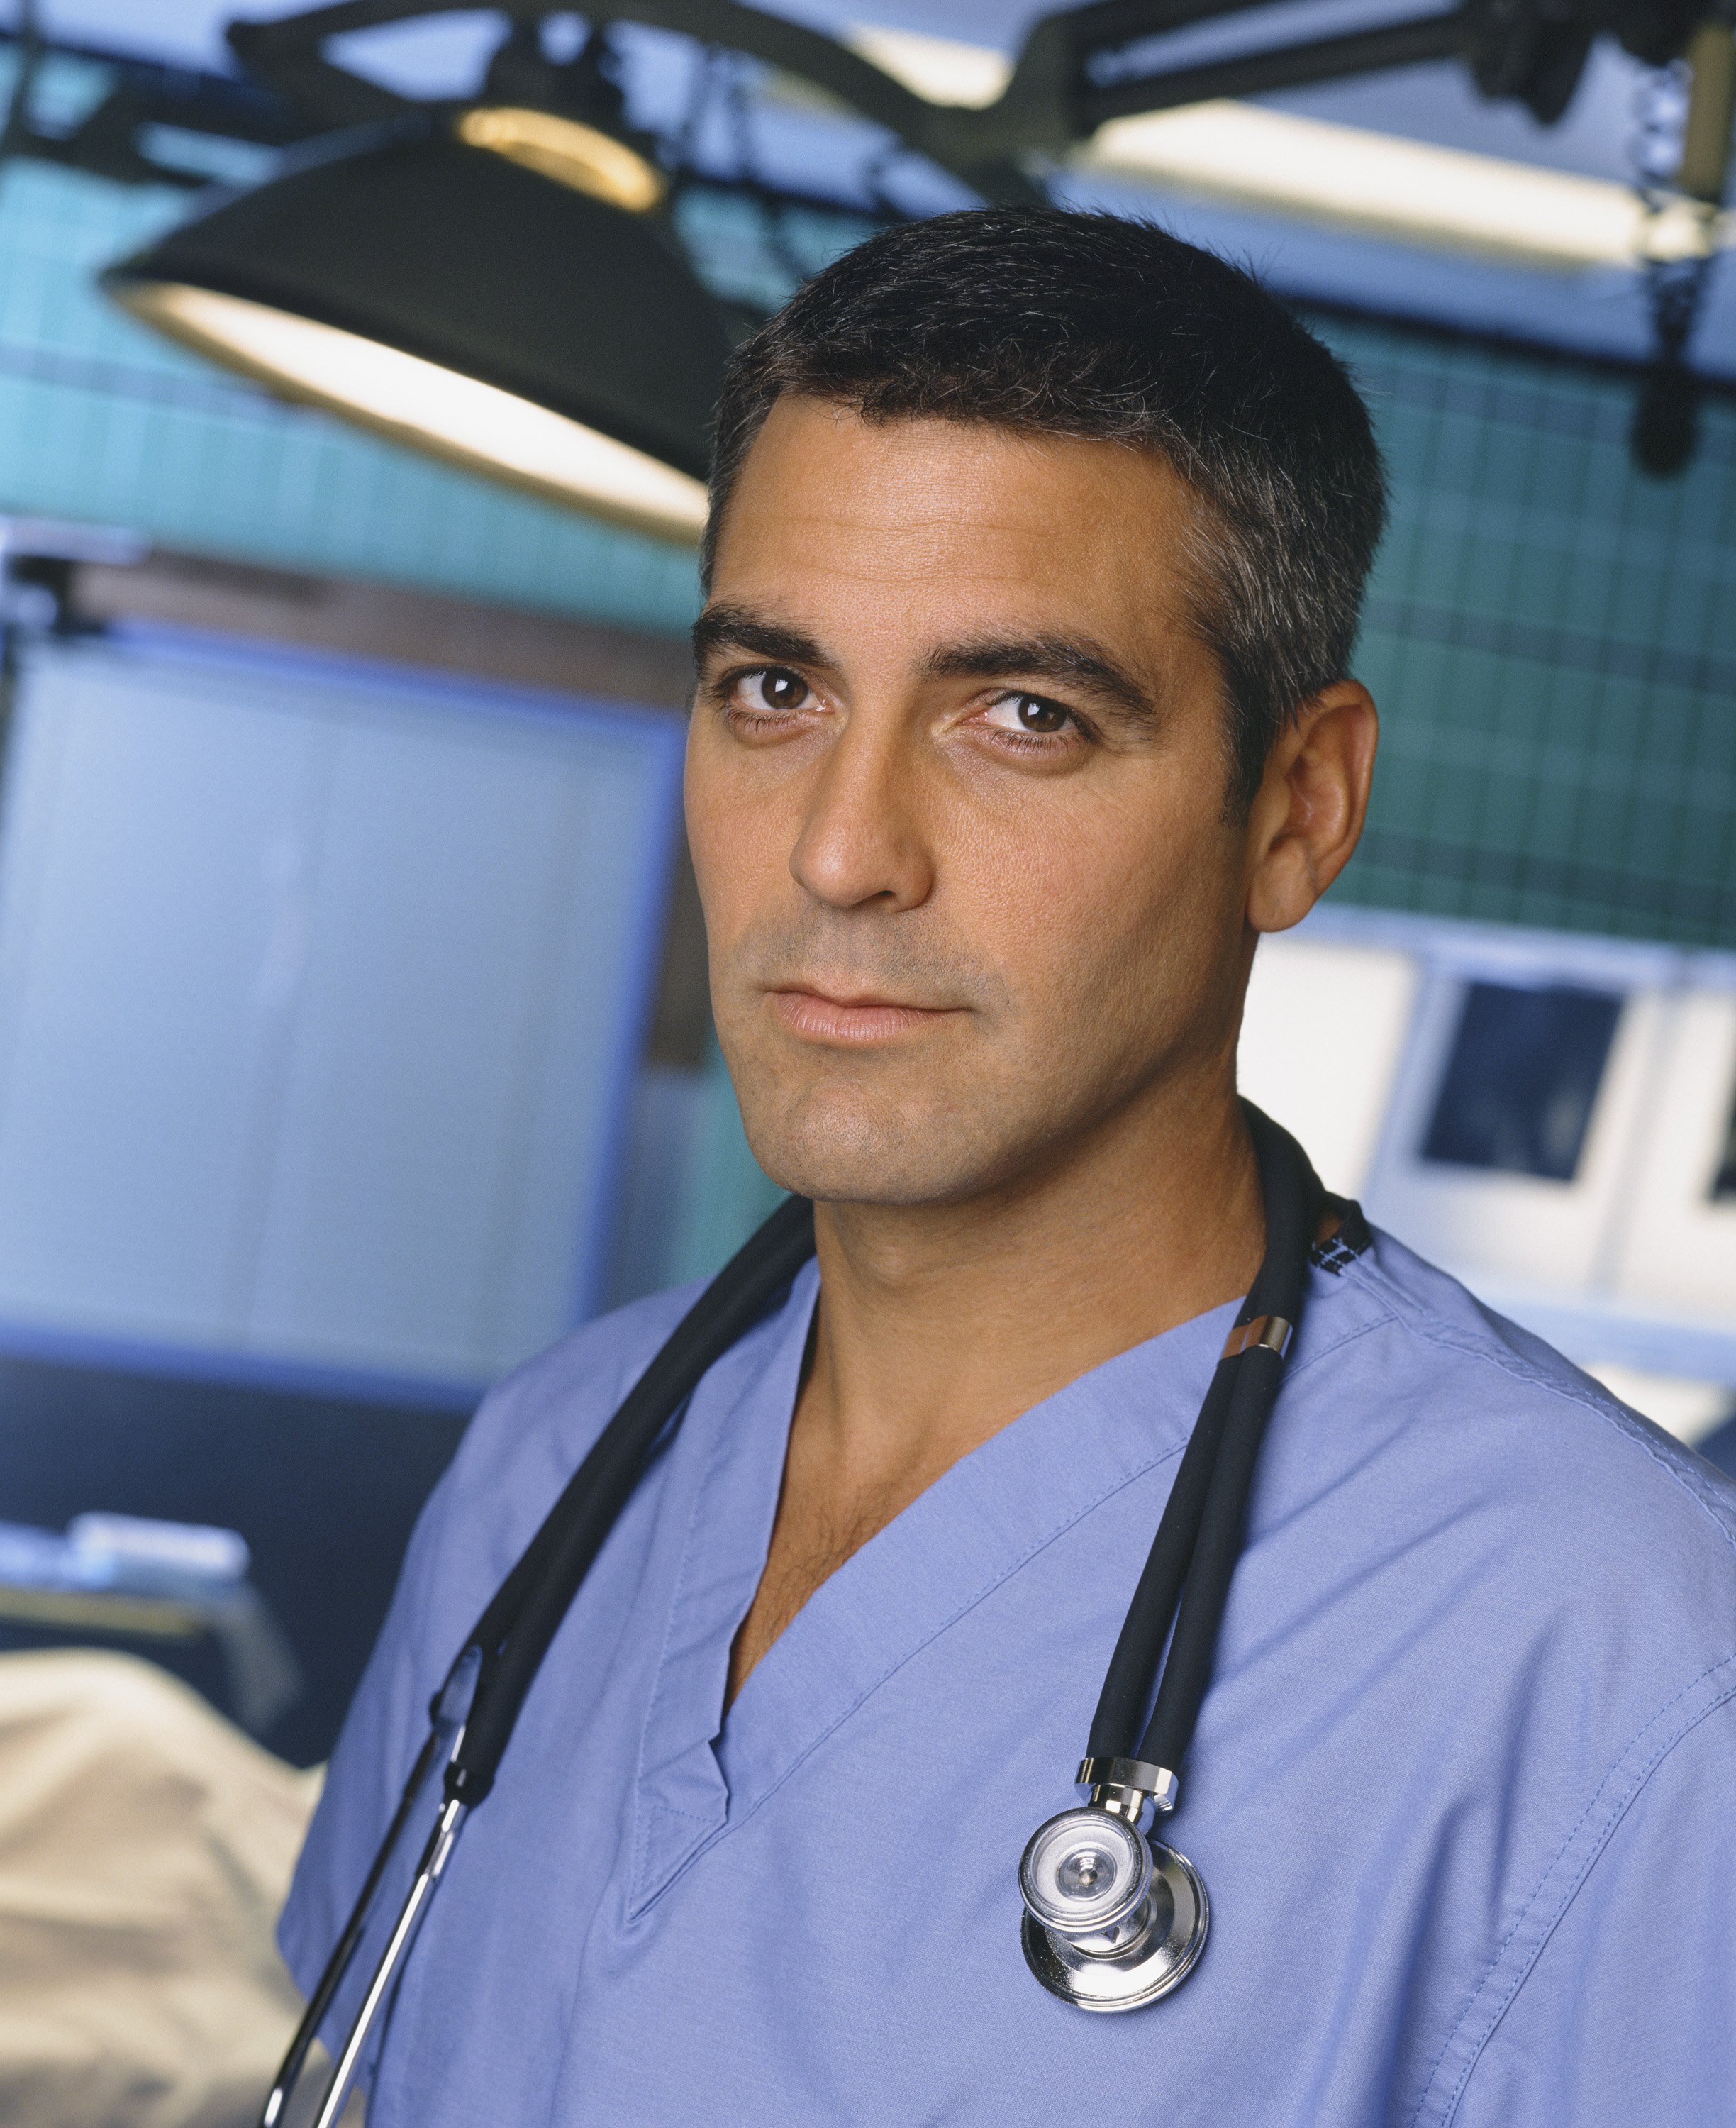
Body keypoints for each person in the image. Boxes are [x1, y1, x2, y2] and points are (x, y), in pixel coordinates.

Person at [279, 209, 1736, 2126]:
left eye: (1023, 718)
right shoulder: (556, 1470)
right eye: (776, 692)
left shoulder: (1616, 1663)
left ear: (1296, 809)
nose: (841, 851)